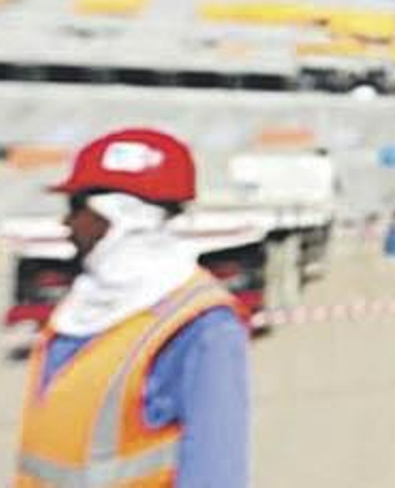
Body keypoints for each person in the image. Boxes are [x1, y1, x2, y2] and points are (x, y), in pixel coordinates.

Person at [15, 128, 250, 487]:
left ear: (121, 218)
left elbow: (216, 474)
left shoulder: (203, 327)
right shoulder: (79, 310)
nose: (66, 224)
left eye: (76, 208)